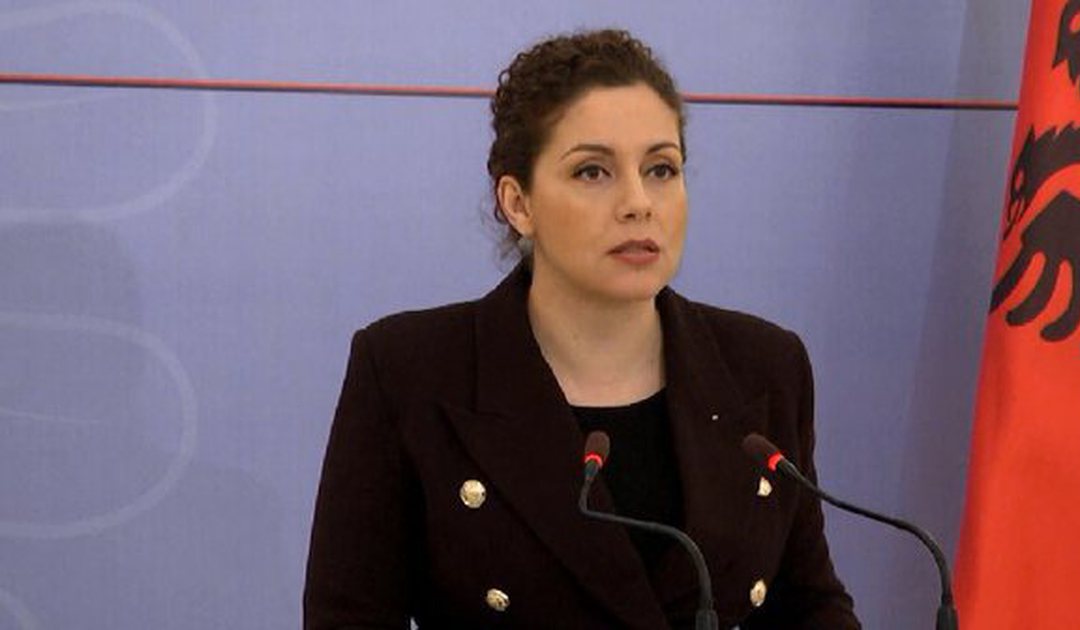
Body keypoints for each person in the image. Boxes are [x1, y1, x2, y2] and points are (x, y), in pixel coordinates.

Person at [304, 29, 859, 629]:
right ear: (518, 203)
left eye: (661, 169)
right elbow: (349, 617)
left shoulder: (764, 365)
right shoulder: (409, 372)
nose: (639, 202)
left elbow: (810, 606)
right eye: (593, 172)